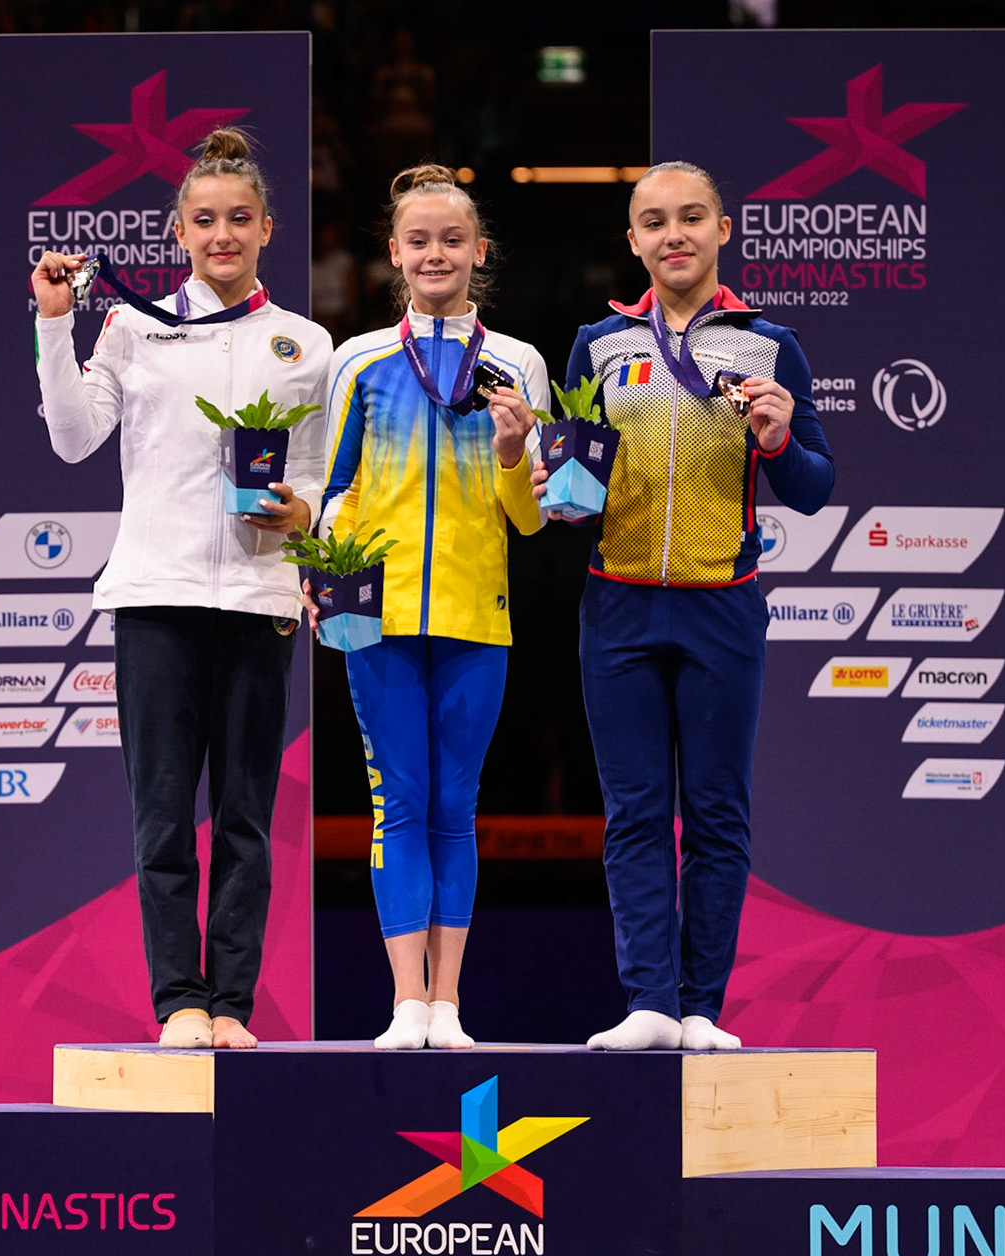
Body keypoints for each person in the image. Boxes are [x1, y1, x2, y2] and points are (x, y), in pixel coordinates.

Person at [32, 129, 332, 1051]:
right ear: (179, 233)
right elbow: (73, 439)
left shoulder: (305, 344)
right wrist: (55, 324)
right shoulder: (132, 327)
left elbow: (320, 478)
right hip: (156, 596)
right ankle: (179, 1003)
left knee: (245, 816)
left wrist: (302, 512)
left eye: (239, 219)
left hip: (257, 600)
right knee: (162, 814)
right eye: (205, 220)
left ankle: (233, 1006)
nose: (223, 234)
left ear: (267, 229)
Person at [539, 161, 835, 1051]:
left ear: (722, 230)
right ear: (633, 241)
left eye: (692, 218)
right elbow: (573, 475)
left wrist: (780, 441)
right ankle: (648, 1006)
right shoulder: (597, 344)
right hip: (618, 606)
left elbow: (816, 487)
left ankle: (702, 1008)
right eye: (655, 221)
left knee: (714, 815)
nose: (674, 235)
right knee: (634, 813)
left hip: (723, 606)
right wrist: (557, 480)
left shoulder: (769, 345)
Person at [317, 164, 547, 1050]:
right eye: (419, 240)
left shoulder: (517, 364)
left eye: (453, 239)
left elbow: (530, 517)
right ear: (394, 255)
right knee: (398, 804)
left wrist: (512, 448)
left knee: (457, 803)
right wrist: (324, 571)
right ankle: (403, 1002)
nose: (435, 253)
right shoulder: (362, 361)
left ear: (478, 251)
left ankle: (447, 1004)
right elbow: (334, 488)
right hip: (373, 617)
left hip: (475, 614)